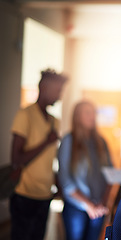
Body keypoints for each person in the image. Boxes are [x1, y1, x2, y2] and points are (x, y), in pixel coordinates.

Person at [10, 68, 67, 240]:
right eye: (57, 91)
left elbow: (50, 159)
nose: (60, 96)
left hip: (45, 195)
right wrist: (46, 142)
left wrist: (57, 183)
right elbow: (16, 159)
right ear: (44, 87)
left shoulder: (54, 121)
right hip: (24, 193)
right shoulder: (25, 114)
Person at [58, 100, 112, 240]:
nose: (92, 116)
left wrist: (102, 203)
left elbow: (109, 175)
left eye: (93, 112)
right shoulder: (69, 140)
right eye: (87, 112)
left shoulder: (101, 142)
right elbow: (65, 180)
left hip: (98, 207)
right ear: (77, 116)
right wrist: (88, 205)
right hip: (76, 207)